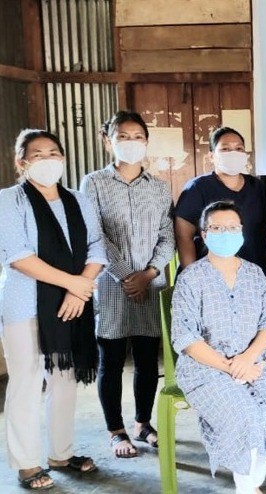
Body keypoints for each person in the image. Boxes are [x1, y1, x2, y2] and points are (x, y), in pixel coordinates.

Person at [0, 129, 106, 490]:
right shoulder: (9, 200)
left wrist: (80, 289)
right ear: (22, 162)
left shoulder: (79, 200)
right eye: (38, 154)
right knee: (27, 382)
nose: (48, 160)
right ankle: (27, 464)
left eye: (54, 153)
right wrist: (73, 284)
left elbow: (96, 248)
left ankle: (61, 454)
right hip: (25, 304)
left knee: (64, 380)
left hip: (73, 304)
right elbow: (18, 257)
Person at [170, 200, 266, 493]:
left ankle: (251, 484)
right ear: (204, 235)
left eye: (232, 228)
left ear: (242, 232)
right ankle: (246, 488)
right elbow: (186, 338)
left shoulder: (254, 273)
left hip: (252, 363)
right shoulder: (191, 278)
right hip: (205, 369)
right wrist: (231, 367)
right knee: (243, 415)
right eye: (217, 228)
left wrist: (247, 359)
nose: (225, 233)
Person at [80, 111, 176, 459]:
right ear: (108, 141)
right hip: (111, 285)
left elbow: (168, 236)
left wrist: (148, 274)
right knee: (112, 359)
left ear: (146, 142)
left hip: (150, 286)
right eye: (123, 136)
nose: (131, 143)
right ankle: (115, 430)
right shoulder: (93, 183)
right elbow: (95, 236)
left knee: (149, 360)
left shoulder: (160, 187)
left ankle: (142, 422)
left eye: (137, 136)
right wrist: (125, 275)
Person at [175, 127, 266, 274]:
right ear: (211, 156)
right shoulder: (198, 188)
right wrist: (192, 275)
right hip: (209, 275)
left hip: (254, 273)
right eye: (225, 149)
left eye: (239, 149)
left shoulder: (257, 187)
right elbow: (183, 237)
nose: (233, 154)